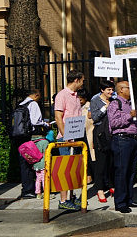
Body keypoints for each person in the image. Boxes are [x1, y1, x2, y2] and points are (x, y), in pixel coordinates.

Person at [108, 81, 137, 213]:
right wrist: (129, 116)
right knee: (122, 171)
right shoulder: (115, 103)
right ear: (121, 90)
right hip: (122, 139)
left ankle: (129, 198)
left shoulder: (131, 104)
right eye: (128, 87)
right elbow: (114, 122)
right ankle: (120, 202)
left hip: (134, 139)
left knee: (131, 171)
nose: (130, 90)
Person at [54, 69, 84, 210]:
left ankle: (71, 197)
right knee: (64, 169)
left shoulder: (76, 96)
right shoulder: (62, 95)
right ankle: (63, 200)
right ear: (76, 80)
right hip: (65, 139)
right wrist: (65, 135)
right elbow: (58, 117)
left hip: (76, 137)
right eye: (82, 80)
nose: (83, 83)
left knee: (73, 169)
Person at [15, 88, 45, 199]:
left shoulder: (21, 104)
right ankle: (30, 189)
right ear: (36, 95)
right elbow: (35, 121)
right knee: (32, 161)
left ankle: (26, 189)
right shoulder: (33, 104)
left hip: (19, 136)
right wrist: (45, 124)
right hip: (29, 136)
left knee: (24, 163)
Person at [89, 80, 115, 203]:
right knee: (101, 162)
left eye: (112, 89)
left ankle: (111, 185)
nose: (111, 92)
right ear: (102, 90)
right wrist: (105, 107)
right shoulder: (95, 101)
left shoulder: (114, 100)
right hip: (100, 133)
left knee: (111, 161)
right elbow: (94, 117)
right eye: (108, 90)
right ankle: (99, 188)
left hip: (111, 132)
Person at [32, 129, 55, 199]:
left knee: (38, 179)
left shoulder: (33, 142)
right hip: (43, 163)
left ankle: (38, 193)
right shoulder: (44, 142)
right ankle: (46, 193)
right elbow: (47, 153)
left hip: (36, 164)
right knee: (45, 178)